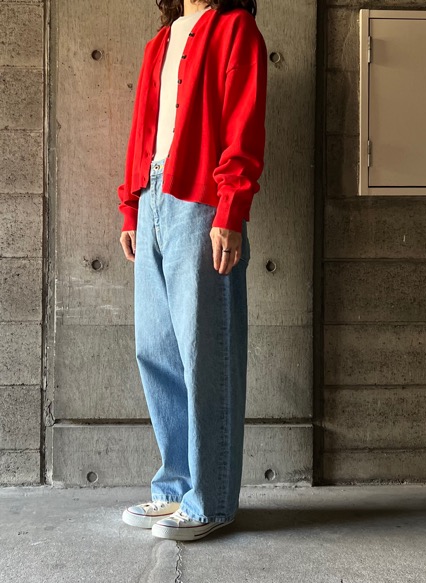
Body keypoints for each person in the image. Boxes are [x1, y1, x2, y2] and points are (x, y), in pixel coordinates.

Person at [118, 0, 267, 542]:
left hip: (201, 200)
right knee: (156, 349)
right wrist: (132, 206)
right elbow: (143, 129)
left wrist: (231, 210)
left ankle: (211, 500)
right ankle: (175, 487)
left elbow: (244, 122)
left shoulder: (236, 29)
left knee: (206, 352)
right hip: (153, 195)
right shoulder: (160, 41)